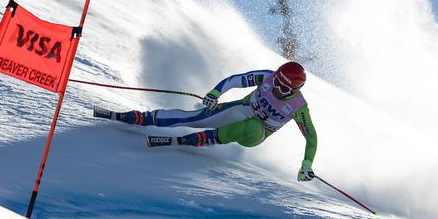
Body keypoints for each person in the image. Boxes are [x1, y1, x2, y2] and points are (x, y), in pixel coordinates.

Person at [94, 61, 317, 181]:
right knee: (196, 117)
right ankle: (143, 117)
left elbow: (311, 138)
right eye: (277, 81)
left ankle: (200, 139)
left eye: (283, 88)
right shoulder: (267, 76)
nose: (277, 88)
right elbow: (235, 80)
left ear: (294, 90)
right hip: (242, 108)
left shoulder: (299, 108)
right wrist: (214, 94)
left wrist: (306, 164)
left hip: (257, 133)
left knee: (247, 127)